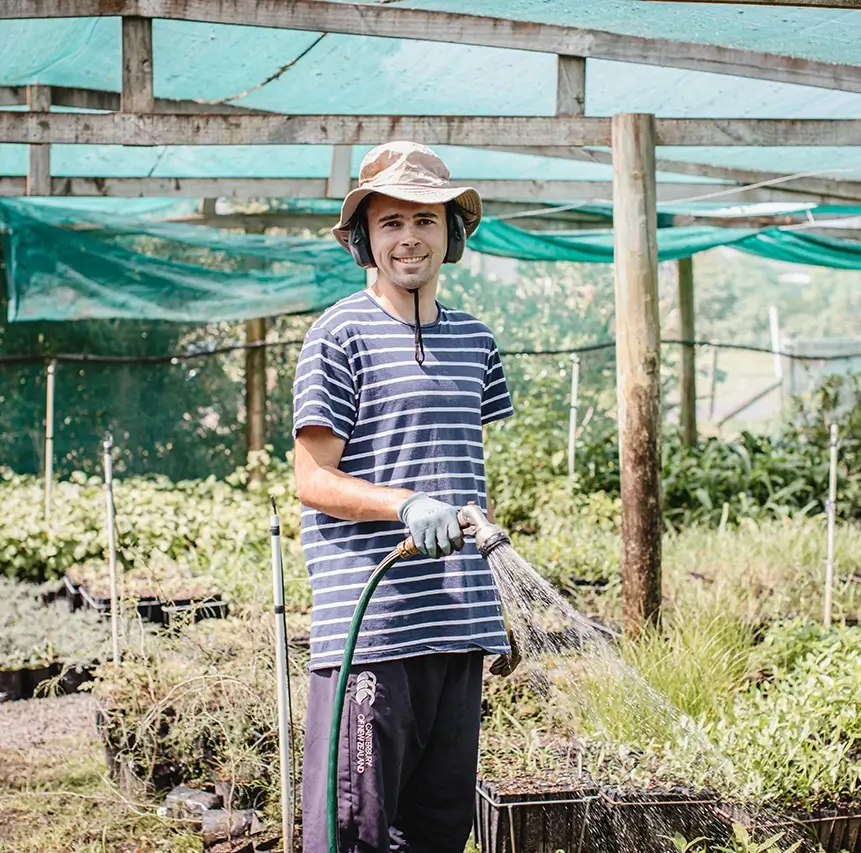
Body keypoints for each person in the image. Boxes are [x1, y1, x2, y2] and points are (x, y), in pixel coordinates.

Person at [291, 141, 519, 853]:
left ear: (452, 234)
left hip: (458, 622)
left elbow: (458, 463)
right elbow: (311, 478)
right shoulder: (338, 335)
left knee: (441, 830)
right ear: (364, 239)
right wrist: (405, 505)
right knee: (354, 829)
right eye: (390, 222)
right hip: (373, 627)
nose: (408, 238)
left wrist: (492, 592)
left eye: (425, 219)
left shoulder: (476, 343)